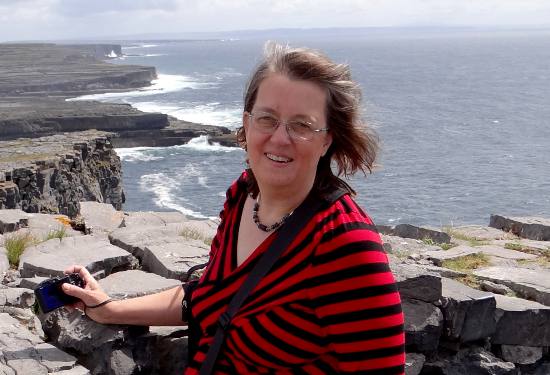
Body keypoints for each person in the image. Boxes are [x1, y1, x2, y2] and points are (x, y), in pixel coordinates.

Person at [63, 42, 405, 374]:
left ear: (327, 139)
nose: (280, 138)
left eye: (301, 125)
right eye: (267, 118)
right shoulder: (243, 195)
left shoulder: (343, 244)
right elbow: (213, 299)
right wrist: (108, 309)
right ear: (247, 122)